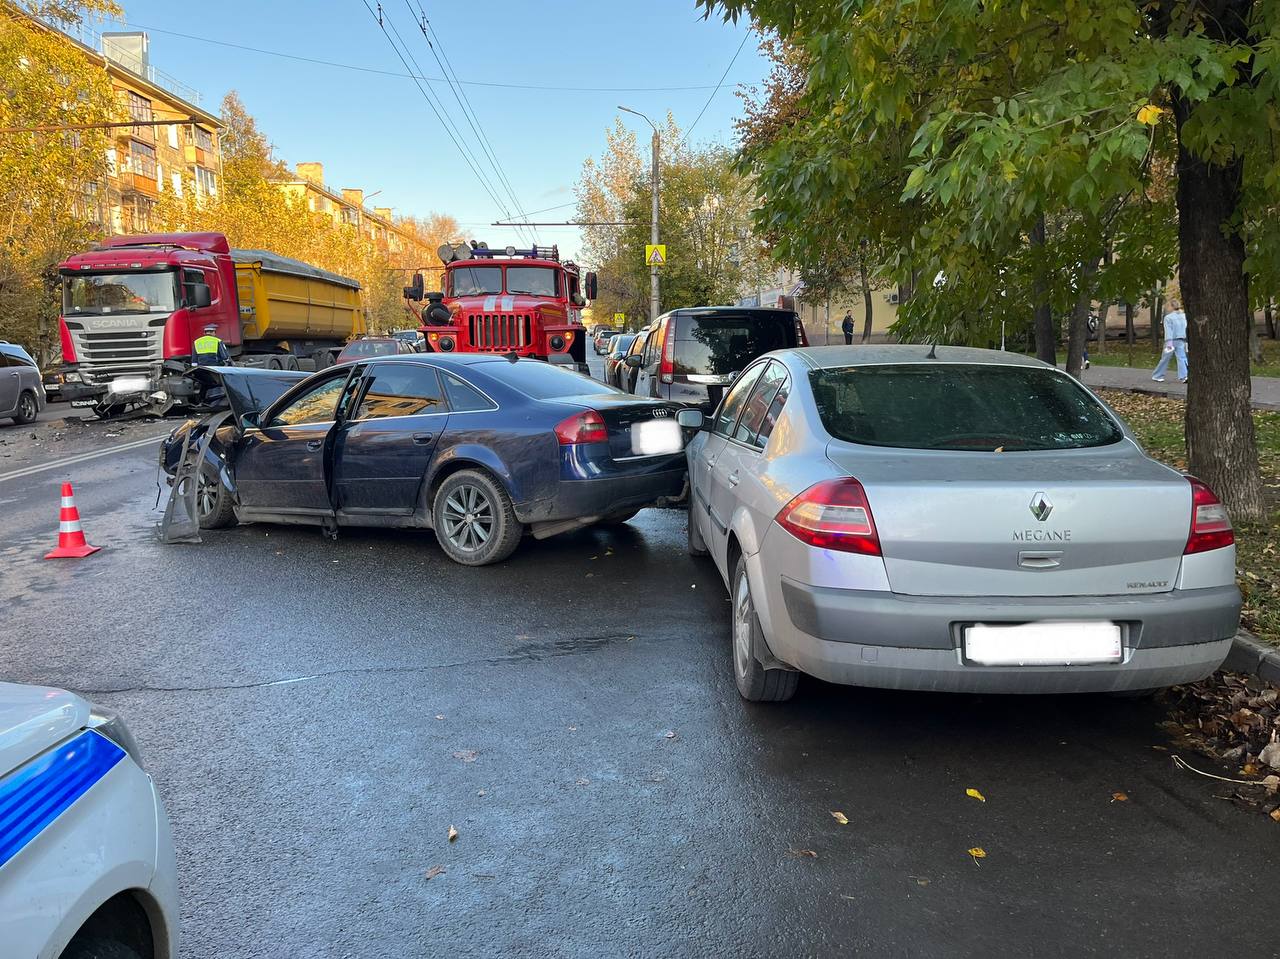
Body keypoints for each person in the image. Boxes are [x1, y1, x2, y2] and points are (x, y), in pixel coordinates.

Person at [1151, 298, 1188, 383]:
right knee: (1182, 358)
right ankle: (1184, 376)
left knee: (1165, 358)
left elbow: (1168, 331)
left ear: (1171, 306)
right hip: (1181, 340)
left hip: (1171, 341)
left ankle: (1158, 375)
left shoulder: (1168, 318)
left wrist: (1169, 343)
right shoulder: (1184, 316)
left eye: (1168, 306)